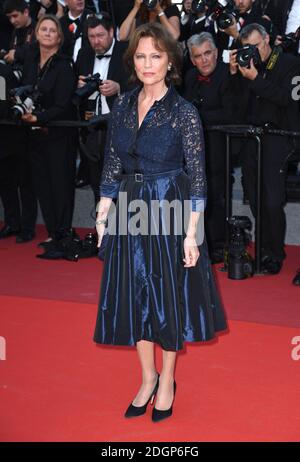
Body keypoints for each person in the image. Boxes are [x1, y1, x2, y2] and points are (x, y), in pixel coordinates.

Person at [93, 23, 227, 422]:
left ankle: (167, 378)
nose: (147, 63)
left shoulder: (183, 112)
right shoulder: (122, 105)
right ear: (132, 61)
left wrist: (192, 234)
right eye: (140, 56)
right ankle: (147, 376)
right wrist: (102, 211)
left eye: (155, 55)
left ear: (170, 61)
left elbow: (198, 175)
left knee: (168, 295)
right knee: (135, 294)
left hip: (169, 204)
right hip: (130, 207)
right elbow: (113, 161)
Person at [229, 23, 300, 274]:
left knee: (272, 200)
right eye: (247, 48)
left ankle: (275, 254)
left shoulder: (289, 63)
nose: (254, 52)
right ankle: (264, 249)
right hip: (252, 138)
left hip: (279, 138)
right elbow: (237, 105)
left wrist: (256, 79)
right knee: (255, 198)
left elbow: (287, 100)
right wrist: (235, 75)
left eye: (257, 46)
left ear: (268, 38)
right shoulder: (249, 67)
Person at [20, 14, 77, 255]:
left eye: (52, 30)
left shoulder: (64, 65)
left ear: (59, 37)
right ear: (36, 33)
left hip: (59, 136)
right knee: (42, 185)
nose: (47, 33)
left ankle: (63, 234)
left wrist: (39, 118)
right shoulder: (31, 62)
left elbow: (63, 104)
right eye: (43, 29)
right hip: (34, 136)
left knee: (60, 185)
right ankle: (53, 232)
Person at [184, 32, 235, 263]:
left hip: (220, 150)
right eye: (198, 56)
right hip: (194, 152)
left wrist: (198, 116)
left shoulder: (228, 75)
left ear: (216, 53)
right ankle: (197, 241)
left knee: (216, 197)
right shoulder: (190, 77)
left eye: (207, 53)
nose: (204, 60)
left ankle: (219, 246)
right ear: (193, 60)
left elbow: (231, 113)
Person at [75, 13, 129, 204]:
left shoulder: (126, 51)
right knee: (97, 184)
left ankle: (124, 232)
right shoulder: (84, 54)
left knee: (122, 186)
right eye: (91, 36)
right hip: (92, 127)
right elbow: (74, 88)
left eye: (100, 35)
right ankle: (103, 230)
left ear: (112, 32)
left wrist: (119, 88)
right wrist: (79, 85)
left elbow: (142, 84)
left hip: (120, 127)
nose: (96, 41)